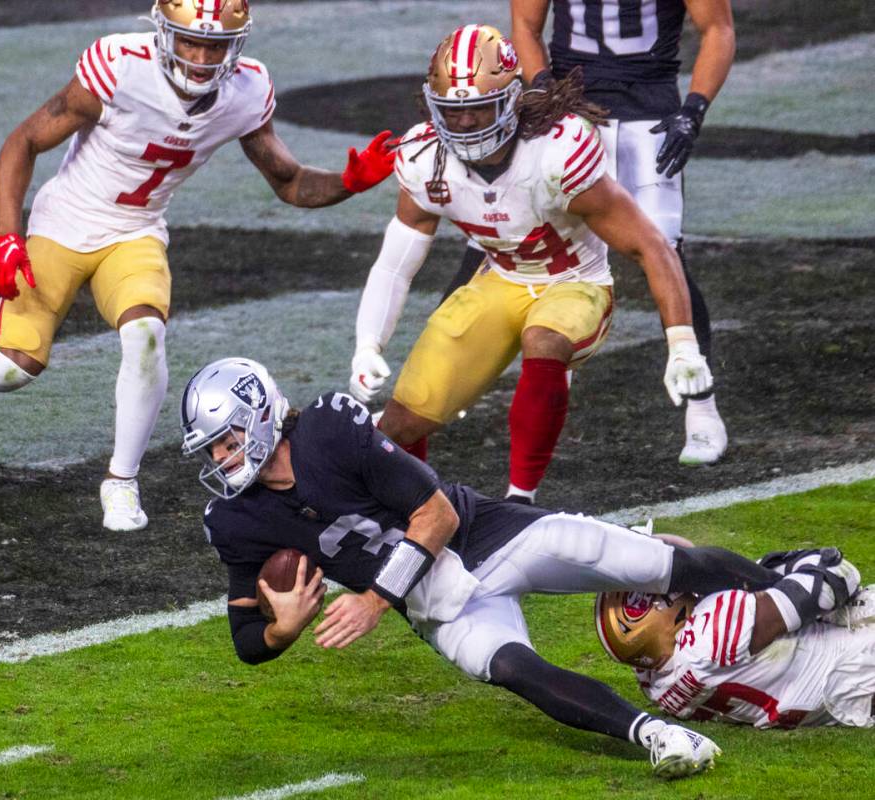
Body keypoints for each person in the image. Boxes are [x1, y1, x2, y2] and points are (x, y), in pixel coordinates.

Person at [179, 356, 860, 777]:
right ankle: (658, 737)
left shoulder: (328, 426)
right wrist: (282, 630)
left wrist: (374, 600)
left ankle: (812, 591)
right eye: (211, 451)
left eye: (228, 441)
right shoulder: (232, 520)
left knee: (660, 564)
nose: (222, 461)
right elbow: (245, 640)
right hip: (436, 602)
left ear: (263, 413)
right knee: (510, 669)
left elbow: (437, 513)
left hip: (488, 534)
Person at [0, 0, 397, 532]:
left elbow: (288, 181)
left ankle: (120, 479)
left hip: (137, 231)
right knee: (15, 368)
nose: (198, 56)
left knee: (146, 333)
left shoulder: (245, 91)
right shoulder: (120, 66)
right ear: (163, 32)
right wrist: (7, 236)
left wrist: (346, 183)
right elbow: (24, 141)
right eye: (189, 41)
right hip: (63, 223)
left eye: (213, 45)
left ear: (236, 46)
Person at [346, 24, 711, 506]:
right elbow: (394, 266)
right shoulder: (425, 157)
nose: (466, 124)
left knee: (544, 338)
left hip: (575, 282)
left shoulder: (556, 152)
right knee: (401, 421)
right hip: (501, 280)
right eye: (453, 113)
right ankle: (415, 515)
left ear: (512, 101)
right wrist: (368, 343)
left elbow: (651, 245)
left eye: (479, 108)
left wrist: (682, 341)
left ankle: (520, 500)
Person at [500, 0, 734, 466]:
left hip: (650, 113)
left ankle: (702, 406)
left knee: (665, 254)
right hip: (572, 112)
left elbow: (718, 29)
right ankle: (442, 397)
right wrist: (544, 87)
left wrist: (693, 109)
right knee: (518, 247)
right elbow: (525, 25)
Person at [597, 549, 875, 728]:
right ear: (663, 613)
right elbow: (834, 577)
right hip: (862, 662)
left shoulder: (656, 683)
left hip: (836, 697)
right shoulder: (714, 628)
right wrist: (788, 567)